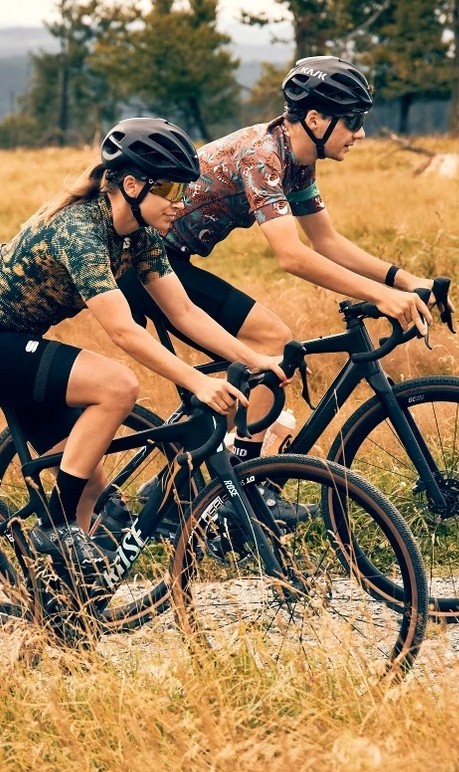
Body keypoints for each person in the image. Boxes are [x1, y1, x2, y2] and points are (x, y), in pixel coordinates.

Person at [0, 118, 287, 568]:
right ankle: (56, 526)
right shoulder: (81, 230)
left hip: (15, 341)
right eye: (172, 192)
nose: (180, 205)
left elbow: (185, 313)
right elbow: (123, 331)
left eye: (185, 192)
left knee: (91, 486)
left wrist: (252, 357)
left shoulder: (140, 238)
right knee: (116, 386)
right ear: (132, 184)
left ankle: (65, 612)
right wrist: (196, 382)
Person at [119, 55, 436, 465]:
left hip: (172, 261)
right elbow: (291, 256)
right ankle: (244, 479)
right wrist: (380, 296)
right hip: (144, 267)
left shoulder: (298, 162)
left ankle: (224, 476)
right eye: (354, 121)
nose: (361, 133)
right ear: (317, 119)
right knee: (272, 341)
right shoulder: (262, 156)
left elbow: (326, 241)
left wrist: (403, 280)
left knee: (262, 358)